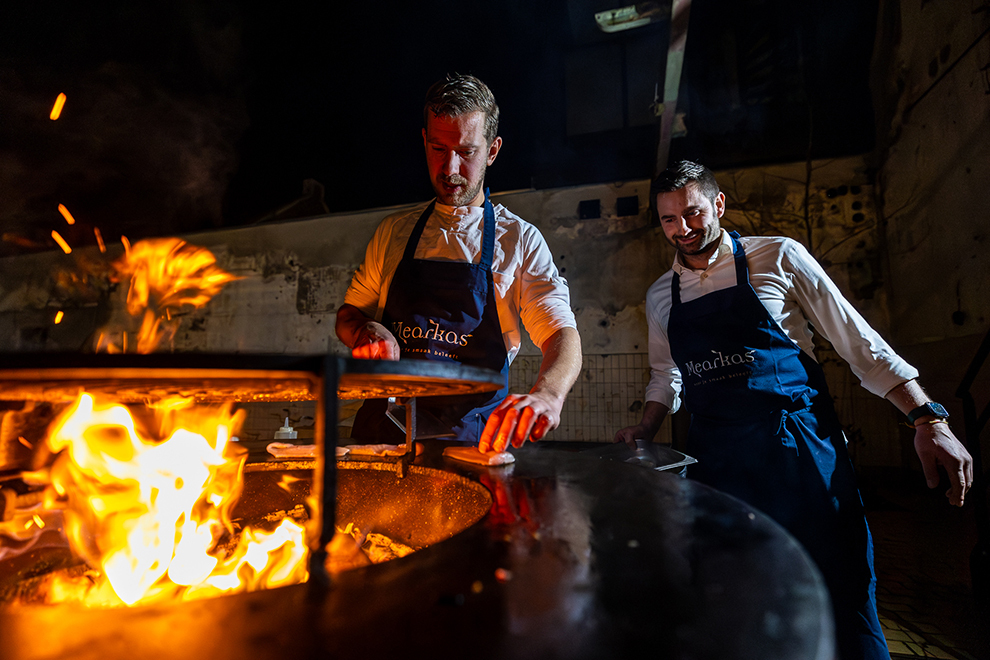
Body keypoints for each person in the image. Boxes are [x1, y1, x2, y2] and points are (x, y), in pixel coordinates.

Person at [615, 160, 973, 660]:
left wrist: (927, 416)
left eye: (693, 213)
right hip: (717, 464)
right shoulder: (660, 296)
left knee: (842, 586)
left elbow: (858, 343)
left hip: (801, 453)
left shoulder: (777, 256)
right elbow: (666, 375)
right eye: (669, 220)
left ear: (719, 205)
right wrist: (647, 428)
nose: (683, 229)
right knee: (738, 595)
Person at [335, 74, 581, 452]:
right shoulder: (393, 233)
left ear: (493, 151)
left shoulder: (519, 241)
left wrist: (548, 395)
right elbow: (349, 314)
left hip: (471, 444)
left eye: (467, 152)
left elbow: (561, 335)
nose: (450, 168)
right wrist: (365, 330)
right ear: (424, 141)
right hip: (380, 439)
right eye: (438, 148)